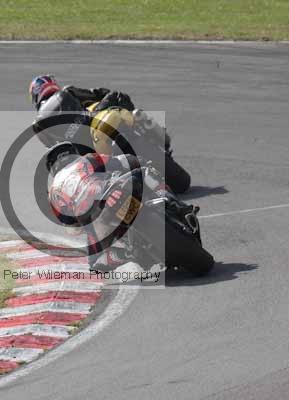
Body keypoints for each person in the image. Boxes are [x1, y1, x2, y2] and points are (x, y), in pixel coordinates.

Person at [28, 74, 190, 194]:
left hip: (87, 156)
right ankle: (156, 139)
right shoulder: (67, 91)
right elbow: (100, 93)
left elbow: (54, 151)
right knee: (121, 100)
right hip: (99, 128)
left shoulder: (38, 125)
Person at [44, 142, 170, 272]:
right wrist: (140, 161)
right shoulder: (86, 160)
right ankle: (165, 196)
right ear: (72, 153)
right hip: (113, 191)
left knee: (94, 263)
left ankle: (127, 254)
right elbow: (123, 161)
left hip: (97, 220)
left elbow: (72, 228)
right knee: (146, 171)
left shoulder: (53, 193)